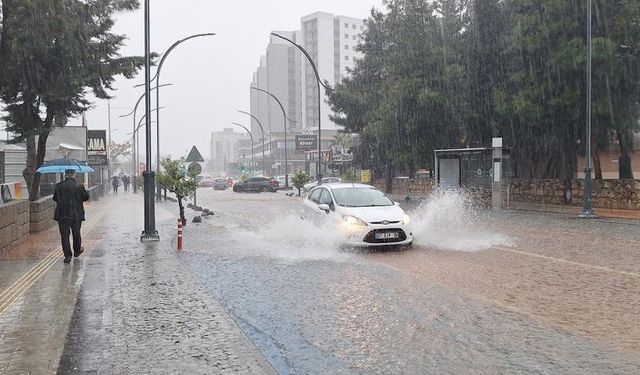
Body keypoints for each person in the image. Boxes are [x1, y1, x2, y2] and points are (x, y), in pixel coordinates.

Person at [53, 169, 90, 263]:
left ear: (65, 175)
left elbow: (55, 198)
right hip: (76, 214)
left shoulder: (59, 186)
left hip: (62, 215)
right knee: (76, 233)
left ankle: (67, 256)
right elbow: (86, 197)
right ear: (74, 174)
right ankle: (77, 251)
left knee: (64, 236)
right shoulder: (79, 186)